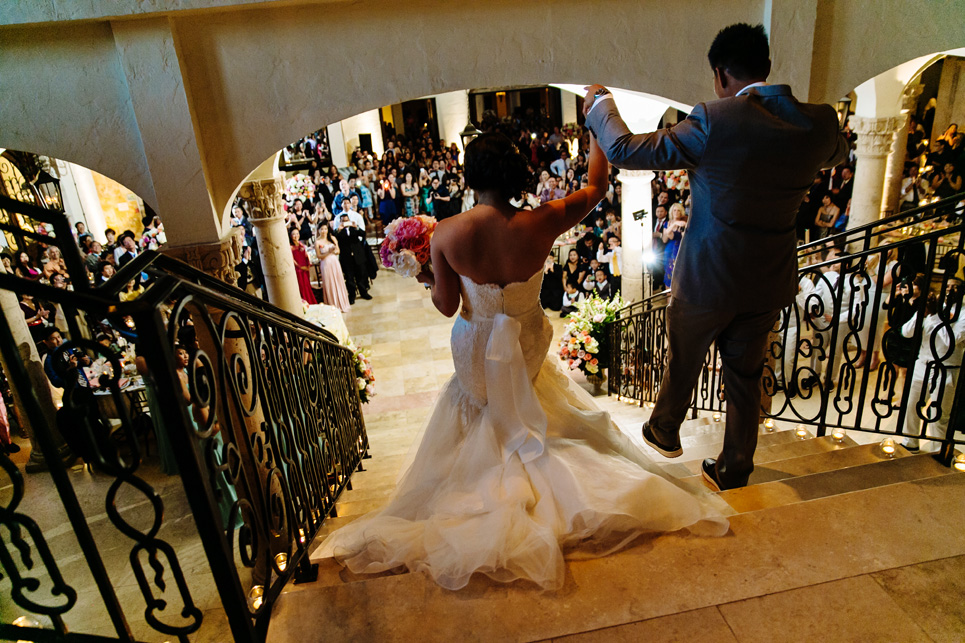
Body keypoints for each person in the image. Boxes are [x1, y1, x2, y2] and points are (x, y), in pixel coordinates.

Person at [315, 131, 726, 592]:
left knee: (481, 410)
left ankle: (487, 488)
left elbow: (447, 306)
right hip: (527, 340)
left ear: (470, 177)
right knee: (531, 402)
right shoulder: (543, 220)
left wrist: (428, 276)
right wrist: (595, 133)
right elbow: (596, 187)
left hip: (476, 347)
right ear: (517, 175)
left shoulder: (449, 232)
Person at [584, 22, 849, 490]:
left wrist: (601, 103)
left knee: (685, 353)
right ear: (767, 67)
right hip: (768, 278)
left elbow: (624, 150)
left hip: (709, 277)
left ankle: (665, 429)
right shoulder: (819, 121)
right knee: (745, 374)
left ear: (720, 74)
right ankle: (734, 468)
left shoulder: (714, 120)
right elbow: (834, 155)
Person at [314, 223, 350, 312]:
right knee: (329, 283)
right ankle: (333, 304)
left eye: (325, 229)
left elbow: (338, 251)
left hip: (334, 262)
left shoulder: (332, 238)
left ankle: (342, 303)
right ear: (318, 230)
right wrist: (328, 252)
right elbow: (319, 256)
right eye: (321, 229)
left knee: (338, 281)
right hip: (325, 264)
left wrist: (333, 250)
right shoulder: (317, 242)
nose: (323, 231)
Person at [662, 202, 687, 289]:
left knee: (679, 274)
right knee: (668, 274)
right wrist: (674, 224)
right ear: (671, 212)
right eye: (674, 210)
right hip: (670, 249)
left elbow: (685, 238)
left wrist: (680, 225)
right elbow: (668, 236)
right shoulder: (668, 223)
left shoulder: (684, 223)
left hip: (680, 248)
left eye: (678, 211)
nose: (676, 212)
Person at [289, 228, 317, 305]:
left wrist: (307, 266)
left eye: (297, 233)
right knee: (301, 287)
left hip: (305, 269)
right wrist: (300, 267)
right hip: (298, 270)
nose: (296, 236)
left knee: (307, 286)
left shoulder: (301, 244)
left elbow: (306, 255)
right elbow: (292, 260)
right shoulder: (290, 247)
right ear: (290, 236)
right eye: (294, 234)